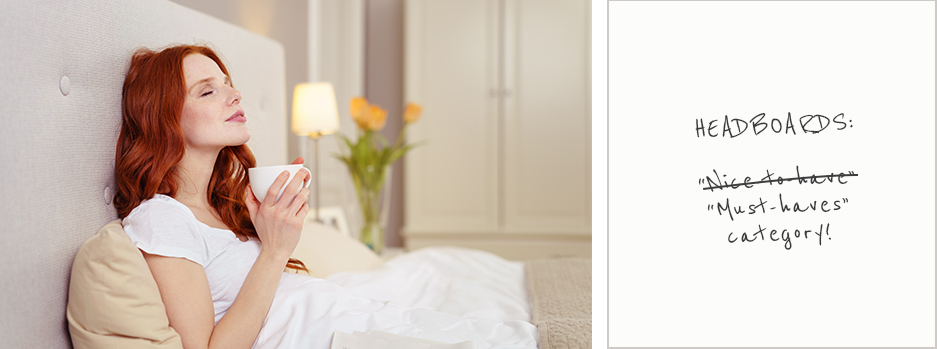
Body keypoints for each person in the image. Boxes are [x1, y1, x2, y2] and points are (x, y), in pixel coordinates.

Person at [114, 44, 311, 348]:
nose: (235, 95)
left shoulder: (227, 206)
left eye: (227, 83)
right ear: (165, 119)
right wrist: (275, 250)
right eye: (207, 92)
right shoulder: (160, 218)